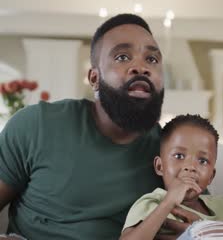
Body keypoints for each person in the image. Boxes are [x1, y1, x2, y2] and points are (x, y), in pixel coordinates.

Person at [0, 14, 166, 239]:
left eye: (152, 59)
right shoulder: (37, 126)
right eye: (122, 56)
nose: (141, 67)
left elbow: (203, 222)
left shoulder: (173, 151)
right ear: (94, 79)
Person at [120, 114, 223, 240]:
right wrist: (168, 202)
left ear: (211, 176)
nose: (191, 166)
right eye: (179, 156)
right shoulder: (153, 202)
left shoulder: (222, 205)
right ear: (160, 166)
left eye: (202, 161)